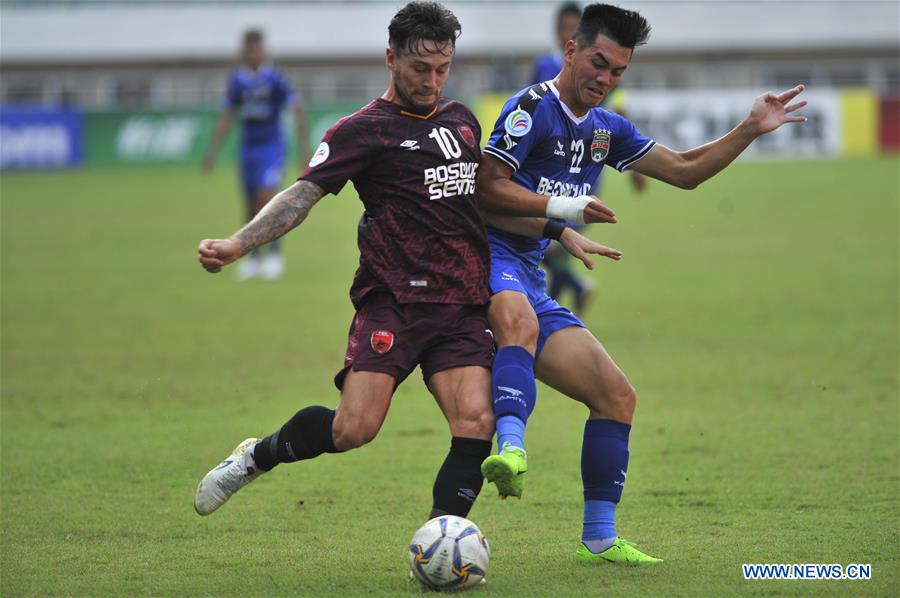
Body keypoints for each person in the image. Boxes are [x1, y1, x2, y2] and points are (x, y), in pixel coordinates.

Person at [475, 3, 807, 563]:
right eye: (599, 63)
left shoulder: (608, 130)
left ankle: (600, 542)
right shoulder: (530, 107)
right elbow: (485, 189)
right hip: (483, 257)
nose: (605, 79)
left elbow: (683, 171)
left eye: (618, 71)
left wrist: (750, 128)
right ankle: (510, 448)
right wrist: (564, 212)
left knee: (617, 396)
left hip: (528, 271)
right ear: (572, 50)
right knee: (522, 322)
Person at [193, 1, 500, 524]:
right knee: (353, 429)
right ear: (391, 58)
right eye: (419, 69)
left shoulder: (462, 121)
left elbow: (488, 197)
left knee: (475, 422)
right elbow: (303, 194)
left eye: (442, 69)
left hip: (463, 303)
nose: (431, 82)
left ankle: (440, 546)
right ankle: (256, 456)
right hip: (395, 301)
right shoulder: (362, 130)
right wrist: (240, 244)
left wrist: (557, 224)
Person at [533, 2, 646, 315]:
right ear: (560, 34)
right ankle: (571, 293)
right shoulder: (544, 67)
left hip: (585, 164)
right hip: (548, 166)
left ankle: (559, 301)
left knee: (552, 242)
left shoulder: (603, 67)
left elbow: (619, 107)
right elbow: (535, 103)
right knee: (545, 239)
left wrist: (636, 169)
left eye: (575, 25)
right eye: (565, 26)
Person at [202, 29, 311, 281]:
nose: (253, 53)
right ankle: (252, 258)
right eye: (249, 48)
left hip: (271, 148)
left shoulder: (274, 79)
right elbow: (227, 115)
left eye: (256, 48)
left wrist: (304, 149)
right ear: (244, 51)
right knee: (250, 203)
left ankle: (274, 255)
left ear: (263, 50)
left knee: (267, 198)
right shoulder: (238, 81)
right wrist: (212, 152)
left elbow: (297, 107)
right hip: (248, 149)